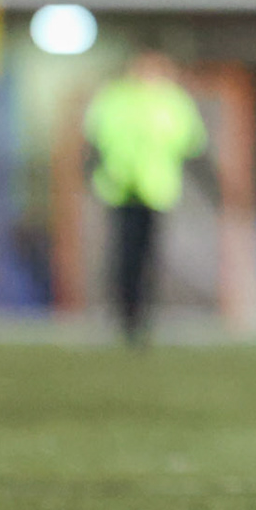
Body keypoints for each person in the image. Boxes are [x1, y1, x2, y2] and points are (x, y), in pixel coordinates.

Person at [84, 51, 207, 345]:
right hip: (120, 187)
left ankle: (143, 316)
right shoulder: (115, 97)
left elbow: (191, 141)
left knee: (149, 255)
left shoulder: (173, 101)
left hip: (156, 190)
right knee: (123, 254)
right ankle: (124, 314)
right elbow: (95, 136)